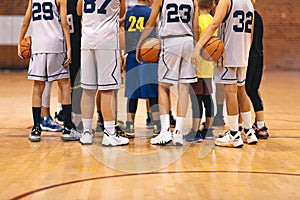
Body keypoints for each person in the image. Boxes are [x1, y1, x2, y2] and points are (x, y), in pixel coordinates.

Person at [191, 0, 258, 148]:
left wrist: (198, 47)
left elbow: (214, 25)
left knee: (231, 91)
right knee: (241, 90)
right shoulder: (249, 3)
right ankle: (248, 131)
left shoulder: (227, 1)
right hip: (243, 52)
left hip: (229, 54)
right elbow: (251, 32)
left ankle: (234, 133)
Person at [136, 0, 199, 145]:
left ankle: (165, 131)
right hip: (188, 42)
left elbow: (150, 23)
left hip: (170, 42)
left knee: (163, 86)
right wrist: (196, 46)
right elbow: (195, 26)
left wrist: (140, 43)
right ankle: (178, 131)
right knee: (183, 88)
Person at [18, 0, 81, 142]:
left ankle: (36, 129)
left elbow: (26, 20)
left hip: (38, 46)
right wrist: (69, 48)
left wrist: (20, 41)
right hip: (55, 44)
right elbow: (64, 23)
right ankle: (68, 128)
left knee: (37, 86)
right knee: (64, 84)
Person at [77, 0, 129, 146]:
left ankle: (86, 133)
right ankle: (110, 133)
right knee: (107, 90)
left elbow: (79, 11)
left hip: (87, 40)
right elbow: (122, 12)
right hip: (107, 41)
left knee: (88, 90)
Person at [122, 0, 161, 138]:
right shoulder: (151, 12)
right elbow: (157, 33)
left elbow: (125, 32)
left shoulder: (129, 12)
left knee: (133, 93)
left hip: (132, 55)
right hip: (148, 56)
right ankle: (157, 124)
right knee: (153, 92)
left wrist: (125, 53)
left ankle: (130, 125)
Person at [183, 0, 215, 142]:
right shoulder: (214, 21)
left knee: (196, 100)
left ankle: (195, 132)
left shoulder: (195, 21)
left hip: (196, 66)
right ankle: (208, 130)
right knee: (208, 99)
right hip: (209, 66)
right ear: (213, 5)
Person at [246, 0, 268, 139]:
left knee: (246, 90)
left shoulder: (250, 16)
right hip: (259, 56)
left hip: (250, 56)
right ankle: (260, 123)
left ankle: (247, 126)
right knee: (254, 90)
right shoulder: (257, 16)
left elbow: (250, 37)